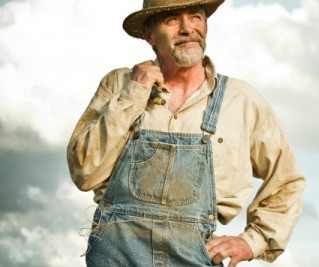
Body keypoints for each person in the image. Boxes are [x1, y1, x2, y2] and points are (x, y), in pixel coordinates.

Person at [67, 0, 305, 266]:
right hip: (116, 257)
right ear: (149, 34)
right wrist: (134, 94)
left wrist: (253, 241)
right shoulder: (120, 85)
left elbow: (287, 181)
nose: (187, 28)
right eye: (171, 20)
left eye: (195, 17)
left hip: (193, 257)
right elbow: (83, 172)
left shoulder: (240, 100)